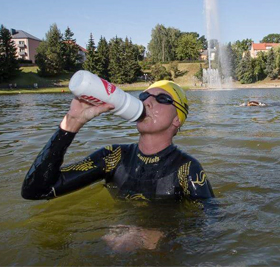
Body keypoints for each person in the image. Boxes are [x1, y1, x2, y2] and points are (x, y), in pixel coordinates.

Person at [21, 80, 214, 202]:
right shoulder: (113, 156)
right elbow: (36, 191)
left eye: (162, 98)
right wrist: (71, 124)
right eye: (144, 96)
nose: (147, 102)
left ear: (177, 119)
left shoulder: (187, 169)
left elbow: (211, 226)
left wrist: (160, 234)